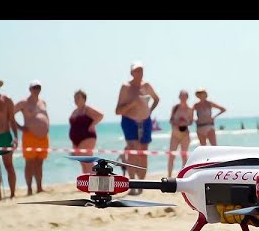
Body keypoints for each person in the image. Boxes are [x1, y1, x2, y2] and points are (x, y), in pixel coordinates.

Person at [115, 61, 160, 194]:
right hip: (129, 120)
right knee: (133, 151)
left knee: (143, 154)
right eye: (136, 70)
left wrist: (149, 110)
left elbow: (157, 99)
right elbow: (118, 110)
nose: (139, 73)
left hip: (145, 121)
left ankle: (141, 184)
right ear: (131, 73)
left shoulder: (146, 85)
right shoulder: (126, 87)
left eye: (141, 70)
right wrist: (133, 103)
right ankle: (132, 183)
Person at [14, 80, 50, 195]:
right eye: (34, 87)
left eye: (38, 87)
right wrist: (20, 127)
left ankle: (39, 187)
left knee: (40, 163)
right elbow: (10, 114)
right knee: (29, 163)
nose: (36, 89)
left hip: (43, 138)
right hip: (30, 136)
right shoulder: (24, 102)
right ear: (30, 89)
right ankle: (29, 189)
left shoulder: (42, 102)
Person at [69, 89, 104, 174]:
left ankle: (94, 183)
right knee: (82, 163)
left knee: (87, 161)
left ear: (84, 99)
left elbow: (100, 115)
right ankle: (87, 184)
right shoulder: (75, 111)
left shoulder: (87, 109)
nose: (76, 99)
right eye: (75, 98)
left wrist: (92, 125)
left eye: (78, 97)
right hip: (77, 141)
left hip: (87, 137)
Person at [168, 90, 194, 177]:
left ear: (187, 98)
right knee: (171, 155)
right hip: (175, 134)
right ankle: (169, 175)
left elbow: (191, 122)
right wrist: (177, 122)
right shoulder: (175, 107)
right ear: (179, 97)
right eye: (181, 96)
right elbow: (170, 120)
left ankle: (183, 176)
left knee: (184, 156)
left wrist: (184, 123)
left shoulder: (190, 109)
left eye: (184, 97)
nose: (183, 98)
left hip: (185, 135)